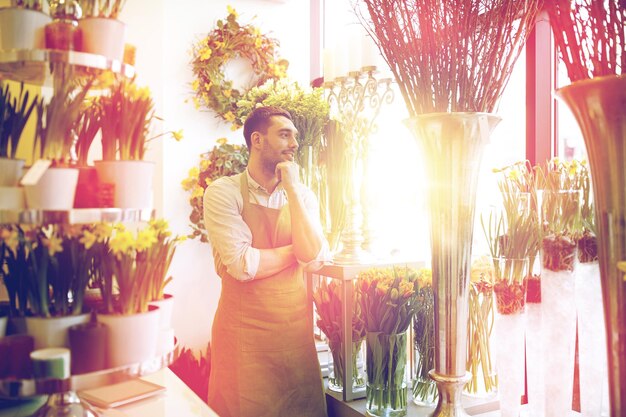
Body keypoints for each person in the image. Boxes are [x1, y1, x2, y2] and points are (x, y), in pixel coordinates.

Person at [204, 106, 329, 417]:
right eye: (284, 134)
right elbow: (243, 265)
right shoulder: (223, 192)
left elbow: (313, 258)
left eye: (295, 136)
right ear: (257, 140)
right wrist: (295, 252)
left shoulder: (303, 196)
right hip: (243, 340)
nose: (294, 143)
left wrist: (293, 190)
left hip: (295, 339)